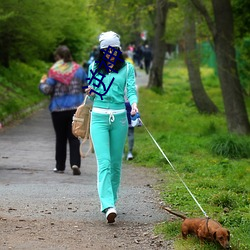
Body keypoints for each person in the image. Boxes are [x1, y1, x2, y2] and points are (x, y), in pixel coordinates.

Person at [85, 31, 138, 223]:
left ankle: (112, 201)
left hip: (120, 118)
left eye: (113, 49)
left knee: (116, 164)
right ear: (101, 50)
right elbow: (91, 96)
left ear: (118, 50)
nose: (110, 52)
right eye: (106, 49)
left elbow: (131, 90)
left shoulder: (127, 68)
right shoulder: (94, 67)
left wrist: (133, 104)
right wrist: (90, 93)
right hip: (98, 117)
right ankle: (107, 204)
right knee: (104, 163)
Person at [39, 45, 87, 175]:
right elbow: (86, 87)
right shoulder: (79, 69)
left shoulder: (54, 71)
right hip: (75, 109)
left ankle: (60, 167)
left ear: (58, 57)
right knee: (74, 136)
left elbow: (47, 90)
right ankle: (75, 163)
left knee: (60, 138)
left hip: (58, 109)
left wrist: (42, 83)